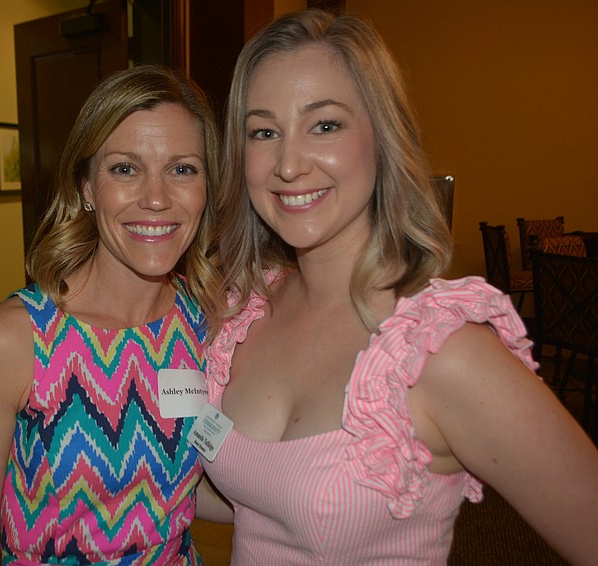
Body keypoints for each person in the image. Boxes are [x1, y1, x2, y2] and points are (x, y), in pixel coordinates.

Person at [200, 9, 598, 565]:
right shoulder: (243, 313)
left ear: (382, 138)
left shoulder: (440, 351)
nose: (288, 164)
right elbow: (251, 493)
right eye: (264, 132)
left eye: (325, 125)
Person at [0, 64, 222, 565]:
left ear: (207, 187)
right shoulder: (11, 341)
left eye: (183, 169)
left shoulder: (209, 325)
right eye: (125, 168)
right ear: (87, 188)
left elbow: (183, 492)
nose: (157, 198)